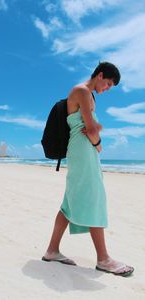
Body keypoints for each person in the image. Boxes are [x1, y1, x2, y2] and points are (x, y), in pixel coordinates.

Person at [42, 62, 134, 277]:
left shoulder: (89, 96)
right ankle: (103, 259)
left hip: (83, 151)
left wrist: (94, 134)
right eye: (108, 83)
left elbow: (90, 127)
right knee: (94, 198)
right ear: (100, 75)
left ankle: (52, 250)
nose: (108, 88)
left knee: (69, 202)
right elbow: (91, 129)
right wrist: (98, 143)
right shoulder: (82, 91)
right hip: (84, 152)